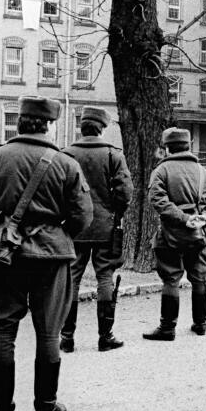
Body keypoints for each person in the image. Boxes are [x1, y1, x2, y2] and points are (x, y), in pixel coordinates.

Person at [0, 95, 93, 411]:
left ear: (19, 123)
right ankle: (45, 408)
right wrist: (56, 233)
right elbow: (83, 216)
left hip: (4, 256)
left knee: (3, 332)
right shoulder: (65, 163)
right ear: (48, 125)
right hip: (51, 256)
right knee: (49, 333)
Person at [61, 106, 133, 352]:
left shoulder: (66, 154)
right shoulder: (113, 154)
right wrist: (115, 213)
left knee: (71, 279)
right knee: (105, 277)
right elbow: (125, 192)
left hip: (74, 227)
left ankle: (67, 338)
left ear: (82, 127)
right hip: (105, 226)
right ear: (102, 128)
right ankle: (105, 337)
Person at [143, 127, 206, 340]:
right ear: (189, 146)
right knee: (199, 277)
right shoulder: (204, 172)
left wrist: (183, 219)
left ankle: (167, 328)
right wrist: (204, 218)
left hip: (170, 233)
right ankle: (200, 324)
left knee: (171, 278)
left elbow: (158, 201)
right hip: (199, 234)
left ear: (167, 148)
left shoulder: (161, 171)